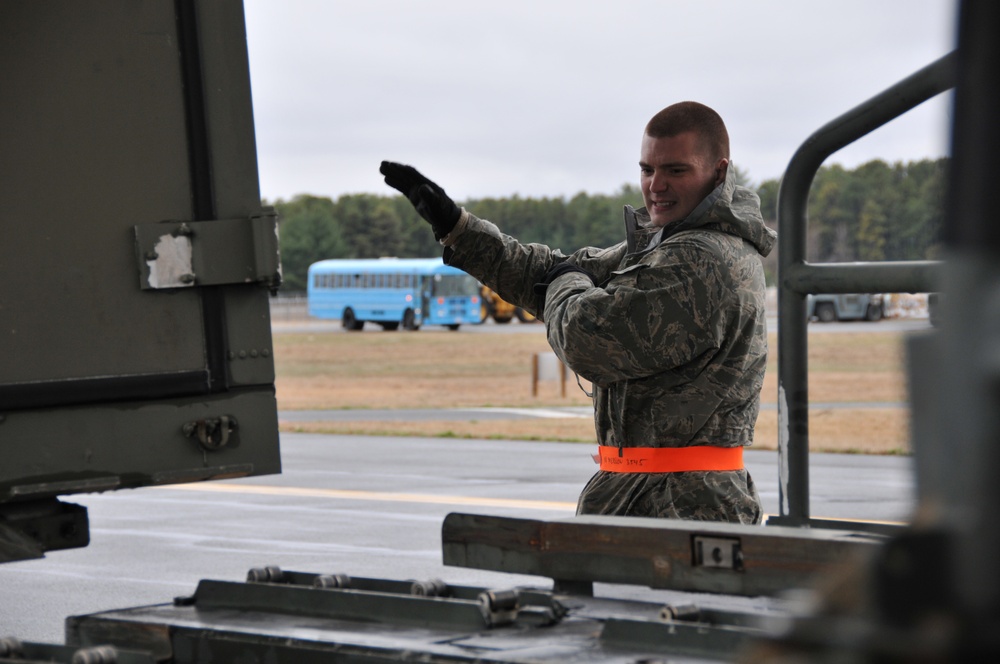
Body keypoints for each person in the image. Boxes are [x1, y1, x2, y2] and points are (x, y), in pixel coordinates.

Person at [381, 101, 775, 524]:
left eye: (675, 171)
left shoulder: (700, 259)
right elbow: (554, 271)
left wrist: (565, 281)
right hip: (646, 495)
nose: (655, 185)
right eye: (647, 170)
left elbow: (583, 335)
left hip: (681, 507)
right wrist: (458, 227)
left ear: (718, 173)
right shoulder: (667, 246)